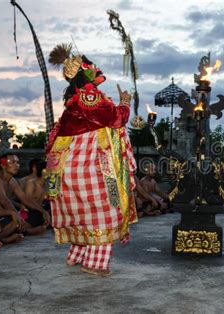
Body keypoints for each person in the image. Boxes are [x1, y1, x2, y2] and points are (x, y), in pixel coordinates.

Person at [46, 43, 137, 277]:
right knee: (104, 205)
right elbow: (115, 118)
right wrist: (125, 102)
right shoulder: (88, 95)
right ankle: (95, 263)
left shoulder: (73, 99)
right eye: (93, 67)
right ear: (85, 72)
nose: (98, 70)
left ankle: (76, 255)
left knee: (81, 208)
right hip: (90, 161)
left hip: (70, 160)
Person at [0, 154, 49, 235]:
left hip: (10, 213)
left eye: (18, 162)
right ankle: (27, 230)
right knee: (15, 221)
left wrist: (42, 211)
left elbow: (24, 198)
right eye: (12, 162)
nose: (16, 165)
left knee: (38, 214)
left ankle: (22, 229)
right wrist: (17, 215)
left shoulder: (12, 181)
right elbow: (4, 200)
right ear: (3, 165)